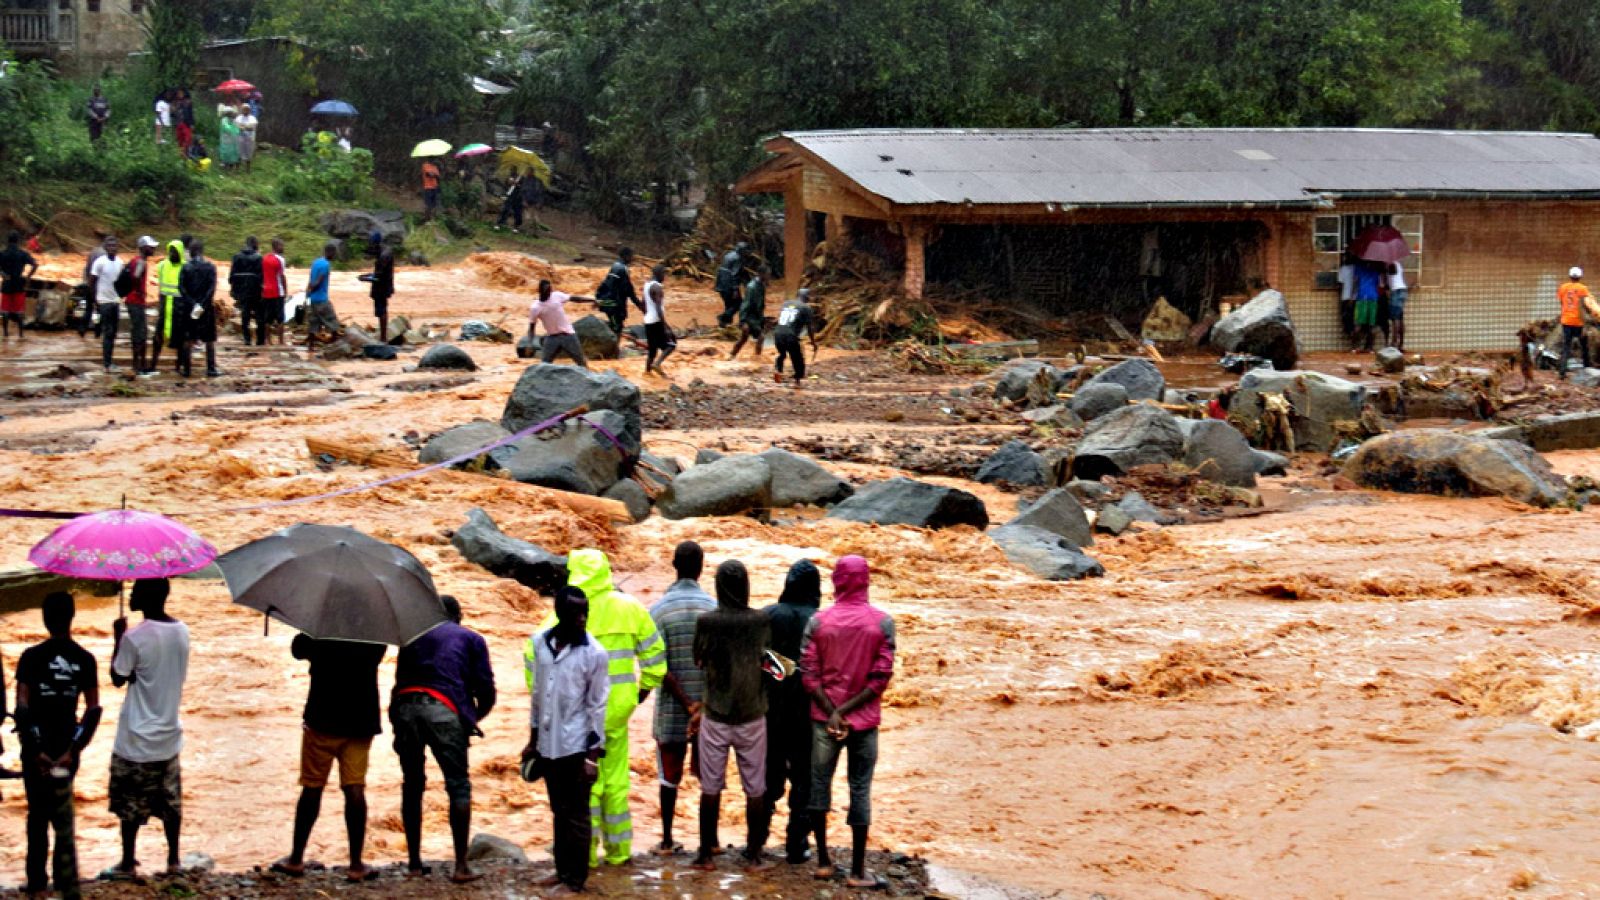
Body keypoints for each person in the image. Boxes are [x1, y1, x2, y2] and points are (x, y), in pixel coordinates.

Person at [528, 549, 666, 867]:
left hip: (575, 719)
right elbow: (656, 657)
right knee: (616, 782)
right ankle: (619, 853)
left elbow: (533, 664)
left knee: (582, 788)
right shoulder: (630, 608)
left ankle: (585, 856)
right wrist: (640, 692)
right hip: (617, 711)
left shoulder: (560, 614)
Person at [802, 555, 895, 889]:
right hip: (864, 721)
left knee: (819, 784)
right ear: (866, 580)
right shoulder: (882, 623)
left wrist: (832, 711)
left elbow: (808, 672)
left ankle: (824, 861)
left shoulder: (818, 621)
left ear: (837, 580)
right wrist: (848, 710)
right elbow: (880, 678)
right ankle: (857, 870)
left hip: (823, 720)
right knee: (860, 788)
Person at [391, 595, 496, 884]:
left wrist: (396, 724)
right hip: (444, 710)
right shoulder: (470, 639)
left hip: (405, 707)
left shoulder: (410, 638)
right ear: (458, 616)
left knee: (412, 784)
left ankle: (414, 863)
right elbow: (486, 690)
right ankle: (461, 866)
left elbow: (398, 682)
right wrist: (471, 718)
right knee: (458, 785)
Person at [272, 636, 386, 883]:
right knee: (354, 788)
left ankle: (296, 858)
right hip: (359, 721)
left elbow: (297, 650)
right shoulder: (375, 635)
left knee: (312, 787)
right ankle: (356, 864)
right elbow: (377, 657)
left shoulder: (321, 631)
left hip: (322, 718)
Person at [15, 592, 102, 900]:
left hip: (35, 747)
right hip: (68, 747)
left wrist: (35, 750)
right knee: (62, 814)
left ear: (44, 618)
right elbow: (93, 711)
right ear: (72, 617)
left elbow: (22, 707)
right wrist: (72, 752)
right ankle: (65, 884)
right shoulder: (85, 659)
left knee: (36, 815)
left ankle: (37, 884)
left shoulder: (30, 657)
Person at [524, 587, 609, 894]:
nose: (583, 618)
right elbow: (537, 695)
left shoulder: (594, 653)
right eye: (576, 613)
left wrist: (592, 756)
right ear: (560, 613)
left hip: (576, 744)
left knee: (578, 814)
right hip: (549, 743)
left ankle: (576, 879)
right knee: (558, 810)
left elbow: (598, 706)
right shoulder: (541, 644)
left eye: (585, 612)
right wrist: (532, 740)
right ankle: (561, 872)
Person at [691, 560, 773, 872]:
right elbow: (772, 663)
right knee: (755, 787)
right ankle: (753, 856)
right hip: (752, 713)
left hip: (716, 713)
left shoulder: (707, 621)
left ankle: (705, 855)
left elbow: (698, 658)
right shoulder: (761, 620)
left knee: (710, 786)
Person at [107, 579, 191, 881]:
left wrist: (118, 638)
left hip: (136, 736)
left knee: (130, 804)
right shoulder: (182, 631)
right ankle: (173, 860)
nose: (131, 594)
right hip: (168, 732)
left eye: (136, 590)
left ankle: (128, 861)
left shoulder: (134, 637)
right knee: (170, 803)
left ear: (147, 596)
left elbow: (118, 677)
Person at [648, 541, 717, 856]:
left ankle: (666, 838)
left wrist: (685, 702)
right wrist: (700, 704)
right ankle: (711, 841)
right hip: (708, 707)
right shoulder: (713, 609)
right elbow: (719, 662)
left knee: (669, 777)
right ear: (701, 567)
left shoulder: (658, 610)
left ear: (674, 565)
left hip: (673, 708)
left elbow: (656, 665)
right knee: (709, 777)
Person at [762, 559, 821, 864]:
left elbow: (758, 660)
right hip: (808, 712)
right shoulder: (820, 620)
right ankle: (797, 844)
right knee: (804, 780)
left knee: (767, 778)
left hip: (770, 709)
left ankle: (756, 840)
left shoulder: (768, 615)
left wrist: (779, 673)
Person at [527, 279, 596, 367]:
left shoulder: (557, 296)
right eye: (546, 290)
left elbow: (575, 298)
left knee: (581, 362)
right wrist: (529, 343)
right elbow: (531, 328)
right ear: (540, 291)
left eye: (550, 289)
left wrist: (592, 300)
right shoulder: (535, 308)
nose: (549, 292)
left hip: (568, 335)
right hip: (552, 337)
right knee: (544, 365)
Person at [178, 238, 220, 378]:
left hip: (190, 308)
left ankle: (187, 369)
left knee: (188, 338)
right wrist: (202, 303)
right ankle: (211, 368)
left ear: (190, 251)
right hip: (205, 308)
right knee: (209, 339)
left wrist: (192, 303)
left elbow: (182, 288)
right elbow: (211, 288)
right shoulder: (210, 267)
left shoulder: (185, 267)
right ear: (202, 251)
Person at [89, 237, 125, 372]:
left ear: (117, 247)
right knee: (108, 332)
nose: (112, 248)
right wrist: (95, 300)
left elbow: (121, 282)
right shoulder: (99, 263)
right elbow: (92, 281)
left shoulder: (120, 263)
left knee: (113, 332)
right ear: (105, 247)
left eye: (114, 245)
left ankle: (109, 361)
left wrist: (121, 296)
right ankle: (107, 363)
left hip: (115, 301)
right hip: (103, 301)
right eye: (109, 245)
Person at [151, 239, 187, 372]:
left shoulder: (185, 267)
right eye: (170, 251)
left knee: (180, 337)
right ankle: (153, 364)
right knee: (158, 336)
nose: (172, 254)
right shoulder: (162, 265)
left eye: (175, 251)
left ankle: (178, 366)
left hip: (179, 306)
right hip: (165, 304)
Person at [772, 288, 819, 388]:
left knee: (782, 354)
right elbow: (810, 328)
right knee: (797, 358)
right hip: (790, 336)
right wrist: (813, 343)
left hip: (777, 334)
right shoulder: (806, 308)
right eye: (809, 297)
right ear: (806, 297)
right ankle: (797, 381)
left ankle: (778, 371)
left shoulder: (786, 303)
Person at [124, 237, 158, 375]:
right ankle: (139, 367)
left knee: (137, 333)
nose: (153, 249)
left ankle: (138, 364)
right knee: (140, 334)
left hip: (132, 300)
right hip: (136, 301)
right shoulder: (141, 262)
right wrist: (139, 292)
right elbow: (137, 276)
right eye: (151, 247)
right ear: (144, 248)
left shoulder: (134, 260)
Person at [595, 247, 643, 338]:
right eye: (631, 256)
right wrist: (638, 303)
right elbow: (628, 289)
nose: (632, 258)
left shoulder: (615, 266)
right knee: (617, 328)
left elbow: (609, 284)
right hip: (613, 304)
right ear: (626, 256)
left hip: (608, 302)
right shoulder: (622, 269)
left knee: (616, 326)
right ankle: (613, 349)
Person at [1, 230, 38, 340]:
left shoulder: (2, 253)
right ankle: (21, 334)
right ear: (18, 241)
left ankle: (5, 333)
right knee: (19, 311)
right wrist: (28, 278)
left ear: (8, 241)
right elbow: (35, 265)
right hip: (19, 284)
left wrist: (2, 273)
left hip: (7, 283)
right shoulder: (23, 254)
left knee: (5, 311)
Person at [1558, 266, 1594, 378]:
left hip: (1566, 321)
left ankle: (1562, 372)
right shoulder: (1583, 289)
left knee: (1566, 347)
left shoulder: (1563, 287)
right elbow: (1587, 304)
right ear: (1580, 277)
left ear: (1570, 276)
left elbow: (1561, 301)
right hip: (1579, 322)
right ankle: (1587, 367)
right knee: (1584, 345)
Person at [304, 242, 340, 352]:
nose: (334, 256)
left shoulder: (315, 262)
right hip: (322, 299)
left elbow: (310, 280)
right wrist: (313, 288)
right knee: (333, 322)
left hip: (313, 299)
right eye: (334, 254)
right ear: (330, 252)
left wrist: (308, 293)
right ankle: (335, 346)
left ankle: (311, 347)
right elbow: (318, 282)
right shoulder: (326, 265)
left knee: (313, 324)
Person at [642, 265, 676, 376]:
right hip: (656, 321)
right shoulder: (657, 288)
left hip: (648, 321)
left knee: (652, 351)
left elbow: (643, 304)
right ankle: (657, 364)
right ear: (659, 274)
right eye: (664, 274)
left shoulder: (646, 285)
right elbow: (658, 309)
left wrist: (647, 315)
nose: (664, 277)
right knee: (671, 344)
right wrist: (665, 327)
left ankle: (647, 374)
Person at [230, 236, 264, 347]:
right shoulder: (259, 258)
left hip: (242, 292)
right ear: (255, 244)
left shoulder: (236, 257)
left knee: (245, 315)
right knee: (259, 315)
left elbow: (231, 277)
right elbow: (262, 277)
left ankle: (247, 339)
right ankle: (260, 340)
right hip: (256, 291)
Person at [729, 268, 769, 359]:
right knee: (760, 337)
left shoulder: (761, 286)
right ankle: (757, 359)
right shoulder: (751, 287)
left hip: (756, 317)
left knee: (744, 339)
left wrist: (762, 319)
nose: (768, 277)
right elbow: (745, 304)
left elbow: (761, 304)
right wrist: (743, 322)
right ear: (761, 274)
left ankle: (732, 355)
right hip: (749, 317)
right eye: (767, 274)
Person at [80, 236, 111, 340]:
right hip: (99, 286)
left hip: (89, 283)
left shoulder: (94, 251)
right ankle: (97, 331)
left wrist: (86, 281)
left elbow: (86, 268)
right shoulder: (104, 255)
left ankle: (82, 329)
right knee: (99, 310)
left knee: (88, 308)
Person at [715, 242, 750, 327]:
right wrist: (735, 289)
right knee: (738, 304)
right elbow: (735, 274)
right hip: (729, 283)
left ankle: (724, 325)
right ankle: (722, 318)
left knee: (729, 304)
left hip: (721, 282)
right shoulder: (738, 259)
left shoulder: (729, 255)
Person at [261, 238, 288, 346]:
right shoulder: (280, 259)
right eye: (281, 245)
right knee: (280, 318)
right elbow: (282, 276)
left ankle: (268, 340)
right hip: (278, 291)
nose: (283, 248)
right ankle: (281, 341)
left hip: (266, 291)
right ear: (276, 246)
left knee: (268, 317)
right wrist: (285, 290)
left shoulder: (265, 258)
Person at [1352, 260, 1382, 352]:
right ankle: (1369, 347)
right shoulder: (1375, 270)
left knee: (1358, 323)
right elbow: (1379, 285)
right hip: (1373, 298)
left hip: (1362, 298)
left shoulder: (1358, 267)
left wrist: (1352, 296)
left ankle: (1355, 347)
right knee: (1371, 324)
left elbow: (1355, 282)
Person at [368, 245, 394, 342]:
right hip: (384, 287)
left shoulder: (383, 257)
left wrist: (366, 278)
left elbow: (378, 276)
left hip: (381, 289)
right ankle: (383, 336)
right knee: (382, 310)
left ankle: (383, 337)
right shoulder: (387, 252)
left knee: (381, 311)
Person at [1386, 261, 1408, 352]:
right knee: (1400, 317)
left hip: (1395, 291)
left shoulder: (1390, 264)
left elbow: (1392, 272)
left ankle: (1394, 343)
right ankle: (1401, 344)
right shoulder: (1398, 263)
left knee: (1395, 319)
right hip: (1403, 290)